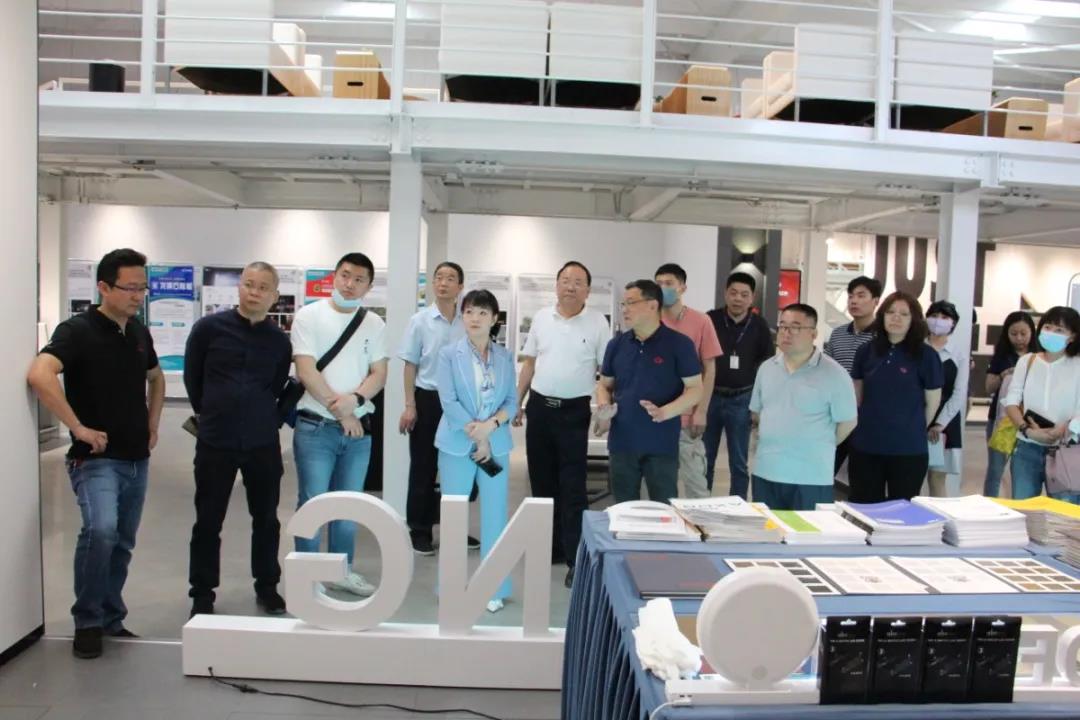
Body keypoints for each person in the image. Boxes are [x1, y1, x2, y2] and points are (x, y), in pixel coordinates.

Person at [27, 249, 165, 659]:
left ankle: (110, 618)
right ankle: (87, 621)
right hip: (96, 459)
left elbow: (156, 378)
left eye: (143, 288)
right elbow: (40, 374)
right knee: (101, 531)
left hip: (136, 458)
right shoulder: (77, 331)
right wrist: (77, 427)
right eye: (130, 288)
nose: (138, 296)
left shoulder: (138, 333)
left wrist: (153, 423)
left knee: (121, 541)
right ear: (104, 287)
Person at [184, 262, 292, 618]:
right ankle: (202, 592)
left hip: (262, 441)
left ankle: (267, 586)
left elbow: (276, 385)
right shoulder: (208, 329)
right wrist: (212, 412)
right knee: (208, 519)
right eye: (248, 284)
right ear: (239, 288)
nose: (254, 292)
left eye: (263, 287)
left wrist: (265, 417)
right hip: (216, 440)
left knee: (266, 519)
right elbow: (193, 379)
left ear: (274, 295)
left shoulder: (279, 341)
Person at [291, 252, 387, 596]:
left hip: (358, 433)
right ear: (334, 276)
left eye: (359, 279)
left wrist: (357, 401)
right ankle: (307, 578)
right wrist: (344, 412)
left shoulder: (374, 324)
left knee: (348, 506)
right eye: (345, 275)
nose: (350, 284)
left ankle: (341, 571)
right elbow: (306, 370)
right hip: (316, 427)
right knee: (313, 503)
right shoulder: (309, 316)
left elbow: (379, 373)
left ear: (368, 286)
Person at [515, 261, 610, 588]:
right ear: (556, 285)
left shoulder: (598, 322)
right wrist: (518, 402)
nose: (570, 286)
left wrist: (604, 410)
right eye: (565, 280)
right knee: (541, 483)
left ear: (588, 290)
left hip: (574, 413)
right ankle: (549, 549)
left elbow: (605, 373)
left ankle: (575, 558)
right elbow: (529, 364)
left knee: (573, 488)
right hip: (540, 409)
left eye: (578, 282)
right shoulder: (542, 318)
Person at [435, 289, 518, 613]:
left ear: (494, 319)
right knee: (454, 516)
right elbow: (448, 401)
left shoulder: (505, 357)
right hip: (458, 444)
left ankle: (493, 588)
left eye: (483, 313)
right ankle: (450, 586)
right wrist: (477, 434)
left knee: (495, 516)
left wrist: (490, 428)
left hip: (496, 444)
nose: (475, 318)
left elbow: (511, 401)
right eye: (469, 311)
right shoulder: (448, 355)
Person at [596, 280, 703, 504]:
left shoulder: (679, 344)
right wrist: (604, 406)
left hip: (661, 443)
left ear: (653, 305)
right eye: (623, 304)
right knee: (624, 508)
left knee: (663, 509)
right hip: (622, 442)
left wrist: (665, 412)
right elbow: (604, 385)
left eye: (631, 303)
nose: (625, 309)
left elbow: (695, 390)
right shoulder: (616, 345)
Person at [398, 261, 474, 557]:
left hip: (460, 403)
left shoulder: (468, 321)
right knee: (423, 466)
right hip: (428, 399)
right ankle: (419, 530)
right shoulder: (420, 321)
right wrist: (409, 405)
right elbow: (410, 365)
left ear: (460, 286)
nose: (443, 283)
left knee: (458, 469)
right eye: (439, 277)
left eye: (450, 278)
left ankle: (455, 528)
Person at [749, 304, 857, 510]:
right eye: (783, 326)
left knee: (808, 530)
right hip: (766, 471)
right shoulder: (767, 368)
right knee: (767, 528)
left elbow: (848, 422)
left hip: (811, 477)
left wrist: (820, 443)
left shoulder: (834, 374)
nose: (786, 332)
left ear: (813, 334)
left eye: (796, 327)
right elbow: (758, 413)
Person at [848, 292, 944, 502]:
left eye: (904, 314)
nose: (896, 317)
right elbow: (858, 396)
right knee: (863, 507)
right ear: (882, 315)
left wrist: (913, 426)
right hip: (866, 445)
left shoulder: (926, 355)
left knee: (903, 509)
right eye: (890, 312)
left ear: (914, 320)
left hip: (908, 449)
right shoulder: (866, 351)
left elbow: (932, 402)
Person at [654, 264, 722, 499]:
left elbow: (709, 370)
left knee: (696, 485)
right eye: (659, 283)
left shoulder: (701, 321)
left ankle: (700, 522)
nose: (663, 288)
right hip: (656, 416)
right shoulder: (650, 320)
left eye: (669, 283)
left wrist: (701, 411)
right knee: (659, 486)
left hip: (687, 417)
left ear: (682, 287)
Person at [704, 272, 774, 499]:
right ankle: (701, 505)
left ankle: (738, 506)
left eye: (744, 295)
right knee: (705, 458)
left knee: (739, 461)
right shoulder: (710, 320)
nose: (738, 299)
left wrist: (759, 405)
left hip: (743, 398)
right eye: (733, 293)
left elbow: (766, 364)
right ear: (725, 293)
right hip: (711, 397)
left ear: (752, 298)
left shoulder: (759, 326)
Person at [1003, 306, 1080, 503]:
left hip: (1066, 448)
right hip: (1027, 447)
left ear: (1072, 336)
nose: (1051, 333)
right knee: (1024, 508)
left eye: (1059, 330)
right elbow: (1011, 401)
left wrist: (1064, 429)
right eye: (1048, 327)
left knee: (1065, 512)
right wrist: (1027, 430)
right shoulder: (1027, 361)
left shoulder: (1077, 365)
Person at [825, 276, 882, 481]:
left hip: (867, 416)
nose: (854, 301)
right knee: (826, 468)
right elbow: (827, 371)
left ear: (875, 301)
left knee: (861, 475)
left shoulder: (882, 337)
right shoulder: (838, 334)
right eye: (850, 296)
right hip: (837, 413)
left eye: (861, 296)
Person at [983, 312, 1037, 497]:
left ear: (1032, 332)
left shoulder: (1038, 357)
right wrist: (1003, 375)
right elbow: (988, 387)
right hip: (1000, 421)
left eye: (1023, 333)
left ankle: (1019, 506)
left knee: (1022, 470)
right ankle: (989, 505)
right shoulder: (1001, 356)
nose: (1019, 338)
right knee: (995, 469)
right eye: (1014, 334)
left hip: (1029, 421)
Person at [925, 300, 969, 498]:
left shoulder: (958, 354)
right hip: (916, 417)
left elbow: (959, 392)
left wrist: (940, 423)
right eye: (934, 316)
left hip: (945, 422)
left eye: (944, 317)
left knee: (937, 478)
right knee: (910, 474)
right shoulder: (917, 348)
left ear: (953, 323)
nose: (938, 321)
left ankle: (938, 517)